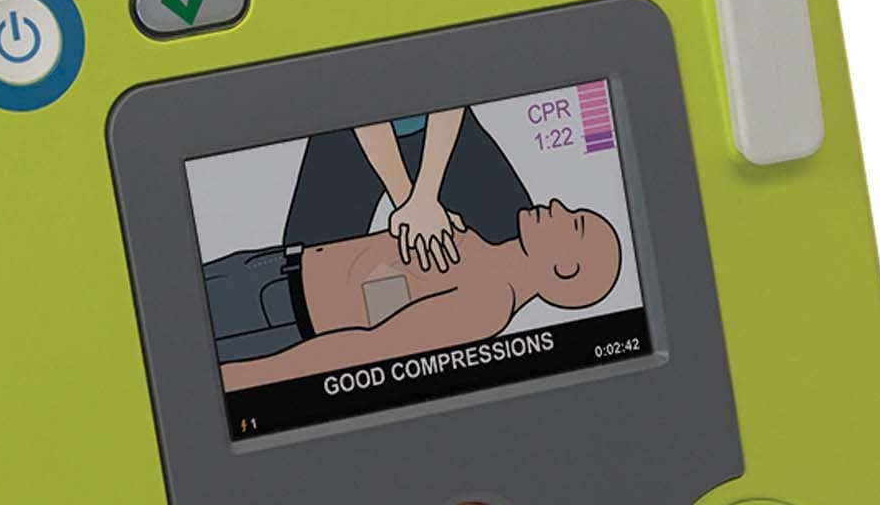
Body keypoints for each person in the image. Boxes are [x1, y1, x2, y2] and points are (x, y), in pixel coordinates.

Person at [207, 200, 622, 392]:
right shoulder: (480, 251)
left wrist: (242, 379)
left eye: (574, 224)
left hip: (271, 316)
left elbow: (368, 349)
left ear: (565, 271)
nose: (558, 206)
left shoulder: (488, 305)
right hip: (269, 276)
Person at [281, 107, 533, 266]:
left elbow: (450, 81)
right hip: (349, 129)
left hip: (441, 120)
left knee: (516, 233)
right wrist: (409, 204)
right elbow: (354, 96)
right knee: (304, 261)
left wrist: (425, 196)